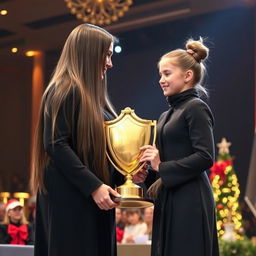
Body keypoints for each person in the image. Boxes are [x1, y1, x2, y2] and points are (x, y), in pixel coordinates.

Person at [30, 24, 124, 256]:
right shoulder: (63, 90)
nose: (110, 63)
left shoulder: (93, 99)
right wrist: (93, 186)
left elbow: (96, 152)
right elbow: (56, 144)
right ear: (90, 52)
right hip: (72, 202)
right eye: (108, 54)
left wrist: (125, 173)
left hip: (91, 202)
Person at [140, 38, 219, 256]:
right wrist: (146, 174)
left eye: (166, 73)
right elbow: (161, 163)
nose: (161, 80)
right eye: (160, 74)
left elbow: (205, 156)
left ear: (187, 76)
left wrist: (161, 166)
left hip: (190, 201)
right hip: (170, 199)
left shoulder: (196, 107)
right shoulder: (166, 115)